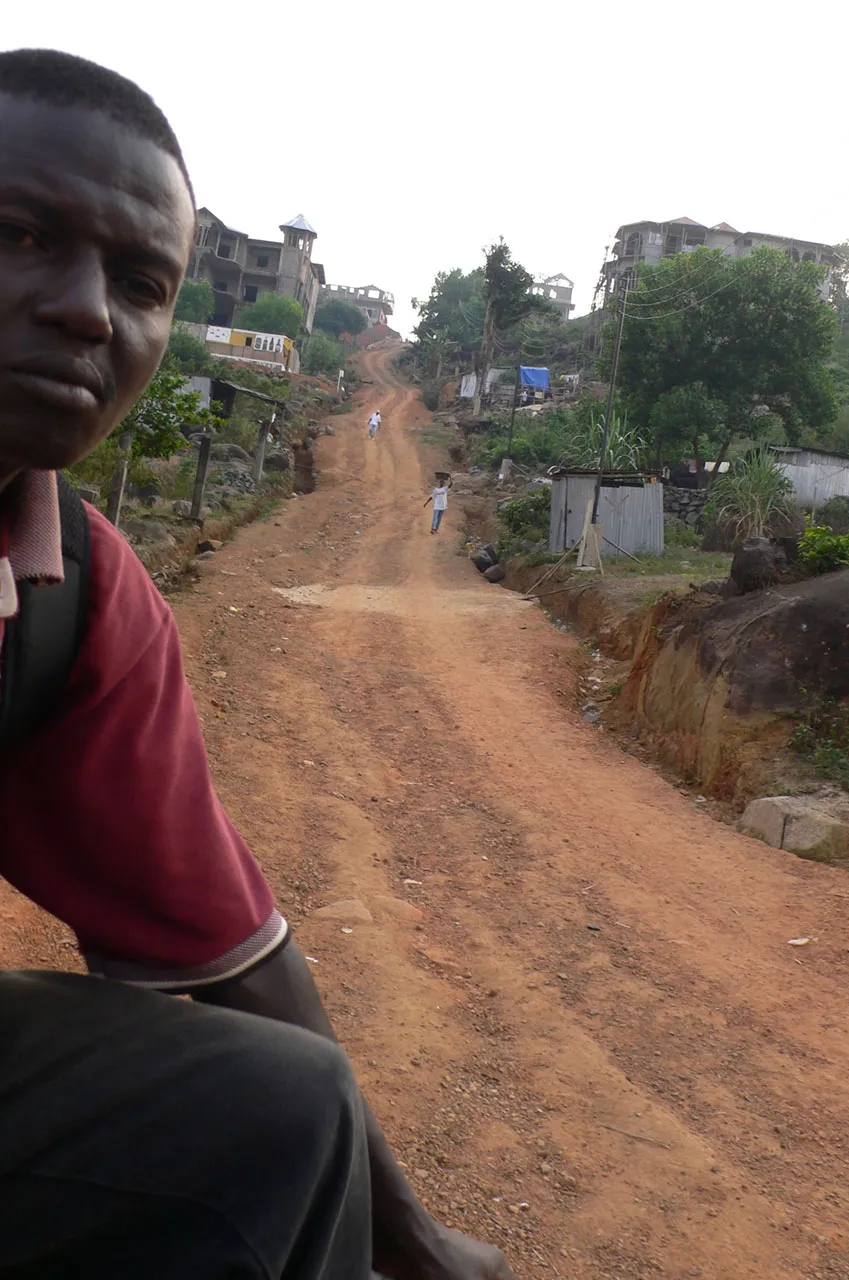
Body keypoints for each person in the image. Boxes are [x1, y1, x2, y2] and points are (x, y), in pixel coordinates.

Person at [0, 49, 513, 1280]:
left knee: (293, 1104)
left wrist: (419, 1244)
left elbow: (226, 935)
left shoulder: (75, 584)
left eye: (140, 282)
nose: (87, 310)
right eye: (20, 234)